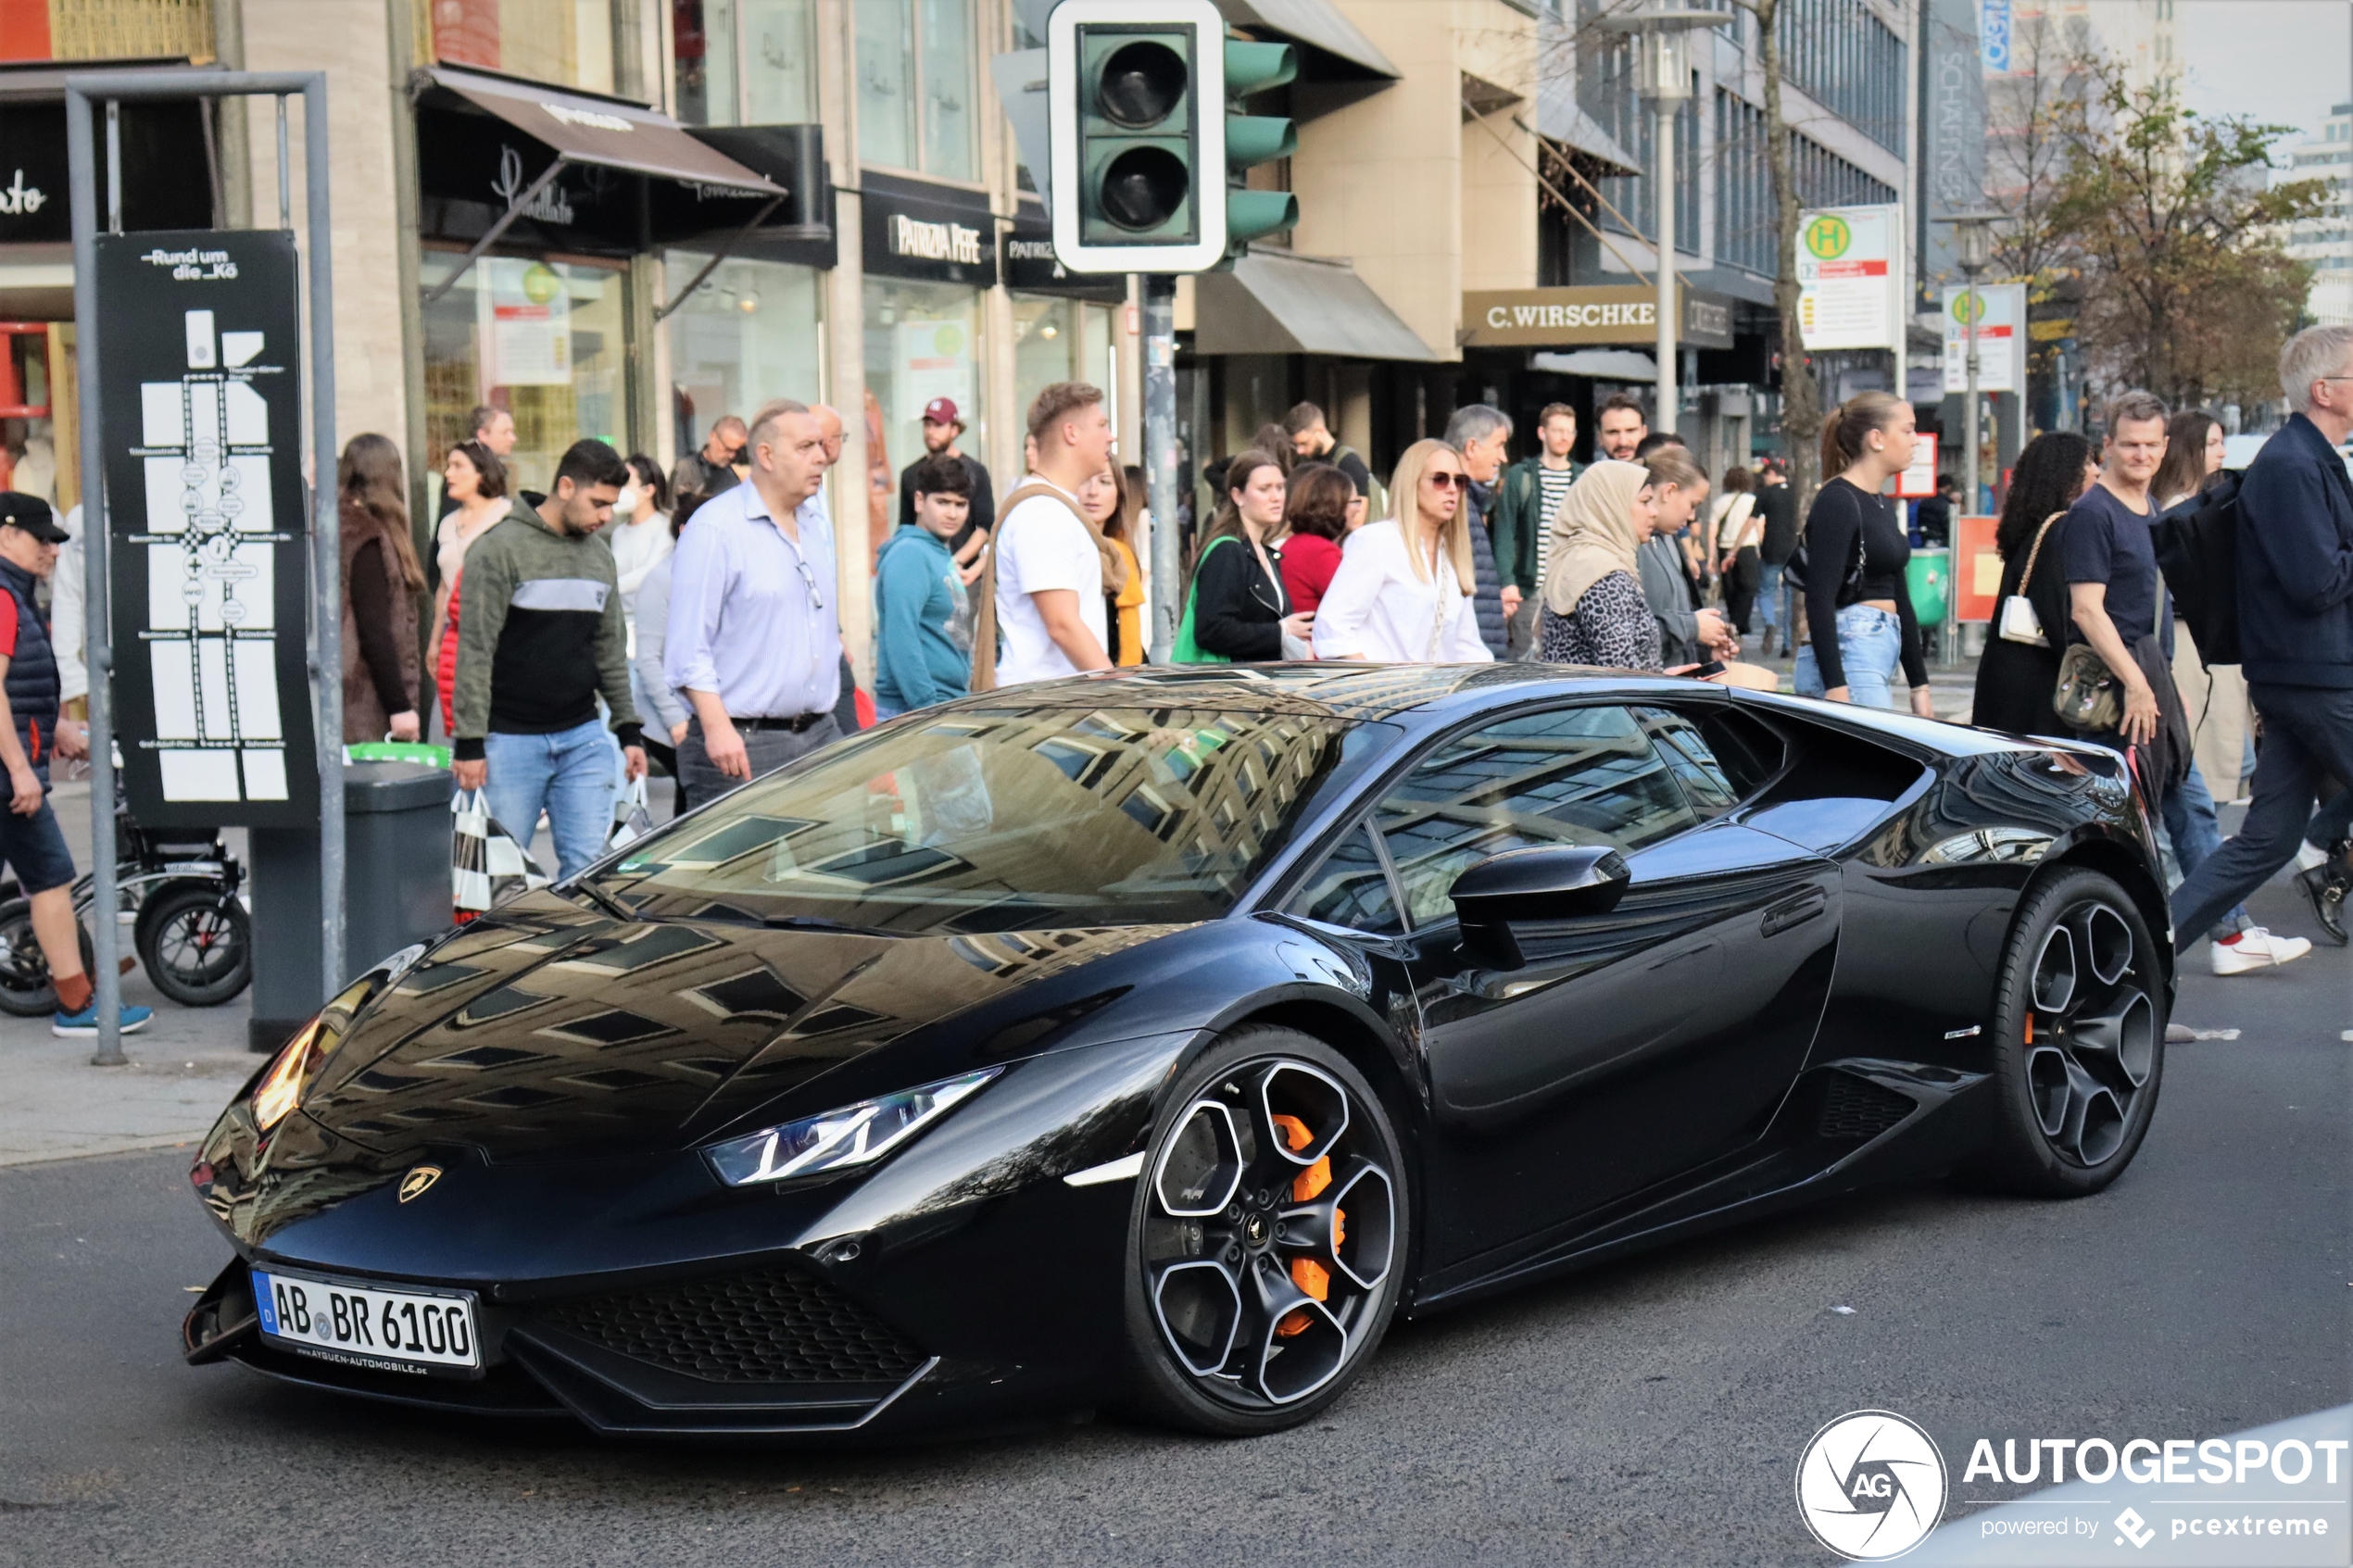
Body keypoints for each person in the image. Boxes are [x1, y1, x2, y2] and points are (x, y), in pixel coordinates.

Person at [2167, 327, 2353, 963]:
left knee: (2265, 841)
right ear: (2325, 390)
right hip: (2315, 676)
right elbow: (2315, 582)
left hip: (2303, 673)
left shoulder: (2304, 458)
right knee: (2268, 840)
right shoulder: (2294, 465)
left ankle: (2144, 949)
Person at [451, 440, 645, 880]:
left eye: (612, 506)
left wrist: (629, 731)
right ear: (565, 486)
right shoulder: (498, 550)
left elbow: (609, 649)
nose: (605, 516)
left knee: (589, 875)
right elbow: (475, 651)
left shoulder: (599, 556)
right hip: (508, 740)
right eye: (597, 503)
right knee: (499, 880)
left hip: (582, 736)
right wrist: (469, 742)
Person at [0, 494, 146, 1036]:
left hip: (14, 767)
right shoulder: (3, 597)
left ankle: (77, 997)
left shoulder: (13, 594)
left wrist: (56, 729)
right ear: (6, 535)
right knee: (52, 878)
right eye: (43, 541)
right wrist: (19, 768)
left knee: (49, 879)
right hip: (9, 777)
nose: (53, 553)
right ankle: (77, 1004)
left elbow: (17, 690)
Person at [664, 399, 844, 800]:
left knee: (830, 864)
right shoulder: (716, 528)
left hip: (820, 736)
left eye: (822, 445)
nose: (821, 457)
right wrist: (716, 728)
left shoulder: (815, 525)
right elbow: (685, 650)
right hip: (742, 744)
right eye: (805, 447)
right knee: (742, 866)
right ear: (765, 455)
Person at [1795, 394, 1936, 716]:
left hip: (1872, 649)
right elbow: (1819, 597)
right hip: (1850, 651)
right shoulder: (1838, 500)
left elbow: (1899, 593)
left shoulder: (1880, 503)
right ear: (1876, 439)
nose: (1916, 441)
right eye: (1908, 430)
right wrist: (1836, 685)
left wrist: (1920, 685)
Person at [975, 382, 1121, 689]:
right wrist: (1120, 693)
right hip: (1046, 708)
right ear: (1071, 433)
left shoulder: (1050, 508)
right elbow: (1062, 624)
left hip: (1052, 703)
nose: (1111, 435)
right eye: (1102, 424)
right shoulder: (1043, 514)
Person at [1312, 440, 1492, 664]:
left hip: (1439, 694)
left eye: (1460, 480)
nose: (1452, 489)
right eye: (1440, 479)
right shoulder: (1377, 541)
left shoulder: (1452, 556)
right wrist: (1377, 683)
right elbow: (1332, 627)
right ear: (1412, 482)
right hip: (1386, 693)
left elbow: (1467, 647)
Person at [1970, 431, 2095, 737]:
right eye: (2090, 463)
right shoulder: (2059, 529)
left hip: (2008, 681)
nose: (2097, 471)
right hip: (2037, 690)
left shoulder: (2033, 529)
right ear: (2068, 474)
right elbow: (2060, 616)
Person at [1179, 450, 1310, 662]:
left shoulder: (1266, 553)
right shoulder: (1228, 551)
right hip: (1232, 688)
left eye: (1280, 487)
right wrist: (1280, 631)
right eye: (1264, 489)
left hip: (1262, 685)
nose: (1276, 497)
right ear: (1237, 496)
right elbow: (1211, 629)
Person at [336, 434, 425, 746]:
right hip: (365, 703)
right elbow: (375, 630)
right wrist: (400, 707)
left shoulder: (332, 522)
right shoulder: (365, 533)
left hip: (339, 697)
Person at [874, 453, 975, 717]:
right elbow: (900, 637)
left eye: (960, 504)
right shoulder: (910, 554)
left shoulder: (937, 553)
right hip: (916, 713)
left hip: (947, 705)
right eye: (942, 502)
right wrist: (927, 709)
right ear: (919, 501)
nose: (952, 513)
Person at [1536, 459, 1662, 668]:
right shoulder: (1602, 574)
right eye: (1645, 501)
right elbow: (1620, 675)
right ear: (1613, 505)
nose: (1654, 511)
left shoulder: (1581, 559)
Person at [430, 439, 510, 734]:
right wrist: (435, 640)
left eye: (458, 466)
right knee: (451, 720)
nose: (448, 473)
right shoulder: (448, 523)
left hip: (494, 633)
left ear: (482, 474)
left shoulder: (506, 516)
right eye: (448, 466)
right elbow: (443, 586)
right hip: (454, 634)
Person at [1635, 445, 1736, 669]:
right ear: (1669, 492)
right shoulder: (1635, 545)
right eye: (1692, 505)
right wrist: (1693, 627)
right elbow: (1629, 636)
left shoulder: (1662, 539)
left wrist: (1705, 649)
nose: (1692, 516)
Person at [1493, 402, 1581, 657]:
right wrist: (1507, 580)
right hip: (1530, 587)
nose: (1565, 437)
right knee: (1524, 658)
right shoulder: (1521, 476)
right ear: (1542, 433)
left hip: (1570, 589)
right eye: (1558, 430)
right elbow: (1505, 532)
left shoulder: (1582, 477)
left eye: (1570, 431)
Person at [631, 505, 696, 815]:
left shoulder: (709, 574)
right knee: (696, 798)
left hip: (697, 714)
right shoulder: (662, 579)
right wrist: (676, 720)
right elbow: (647, 659)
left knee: (694, 803)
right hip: (666, 718)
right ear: (685, 530)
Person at [1441, 404, 1514, 657]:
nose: (1503, 457)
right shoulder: (1455, 505)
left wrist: (1492, 602)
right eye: (1499, 445)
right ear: (1472, 447)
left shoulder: (1468, 502)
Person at [896, 396, 996, 557]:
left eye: (938, 425)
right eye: (927, 425)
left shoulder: (976, 471)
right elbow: (905, 526)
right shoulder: (910, 474)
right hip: (924, 564)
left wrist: (957, 562)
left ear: (954, 430)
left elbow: (985, 526)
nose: (931, 431)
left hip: (965, 572)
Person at [1085, 462, 1147, 666]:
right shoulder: (1062, 543)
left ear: (1119, 494)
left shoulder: (1122, 551)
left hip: (1113, 672)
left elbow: (1129, 628)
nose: (1093, 492)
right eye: (1084, 481)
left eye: (1105, 482)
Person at [1278, 462, 1351, 616]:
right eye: (1352, 501)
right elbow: (1353, 601)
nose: (1357, 508)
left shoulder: (1296, 543)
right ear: (1335, 506)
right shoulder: (1320, 551)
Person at [436, 405, 516, 521]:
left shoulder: (499, 470)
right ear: (482, 435)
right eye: (505, 432)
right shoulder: (462, 473)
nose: (512, 438)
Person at [1282, 401, 1374, 501]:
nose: (1299, 451)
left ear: (1320, 431)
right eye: (1296, 445)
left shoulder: (1349, 462)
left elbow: (1359, 511)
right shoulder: (1305, 463)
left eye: (1304, 443)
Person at [1755, 458, 1799, 657]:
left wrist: (1734, 548)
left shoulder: (1765, 494)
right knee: (1791, 599)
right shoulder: (1796, 493)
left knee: (1766, 591)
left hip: (1771, 549)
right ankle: (1788, 645)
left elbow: (1752, 521)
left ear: (1771, 473)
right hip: (1793, 550)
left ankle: (1770, 623)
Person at [1710, 466, 1762, 634]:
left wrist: (1712, 556)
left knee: (1730, 589)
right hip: (1747, 548)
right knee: (1748, 587)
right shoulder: (1752, 500)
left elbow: (1712, 532)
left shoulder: (1719, 502)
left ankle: (1734, 621)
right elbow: (1760, 527)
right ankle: (1739, 623)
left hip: (1724, 548)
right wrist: (1759, 546)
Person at [671, 415, 747, 506]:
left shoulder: (733, 473)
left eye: (737, 451)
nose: (732, 456)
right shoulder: (687, 469)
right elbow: (672, 513)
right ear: (712, 437)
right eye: (727, 449)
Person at [1596, 393, 1647, 462]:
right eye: (1613, 432)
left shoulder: (1663, 472)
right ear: (1600, 438)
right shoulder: (1587, 473)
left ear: (1644, 432)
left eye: (1630, 431)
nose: (1623, 442)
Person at [1916, 474, 1957, 548]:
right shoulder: (1946, 503)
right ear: (1948, 486)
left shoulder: (1924, 501)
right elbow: (1948, 524)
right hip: (1942, 539)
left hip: (1926, 537)